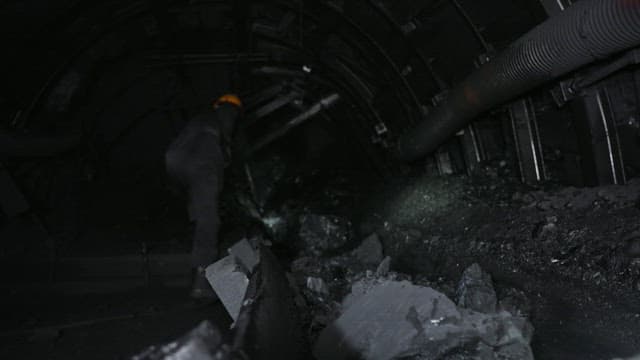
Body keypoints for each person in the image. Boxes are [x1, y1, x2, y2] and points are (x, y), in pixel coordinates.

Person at [165, 94, 242, 299]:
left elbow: (173, 156)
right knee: (209, 222)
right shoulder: (224, 117)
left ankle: (197, 275)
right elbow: (217, 157)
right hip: (203, 166)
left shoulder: (202, 119)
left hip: (180, 165)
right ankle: (202, 284)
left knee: (201, 217)